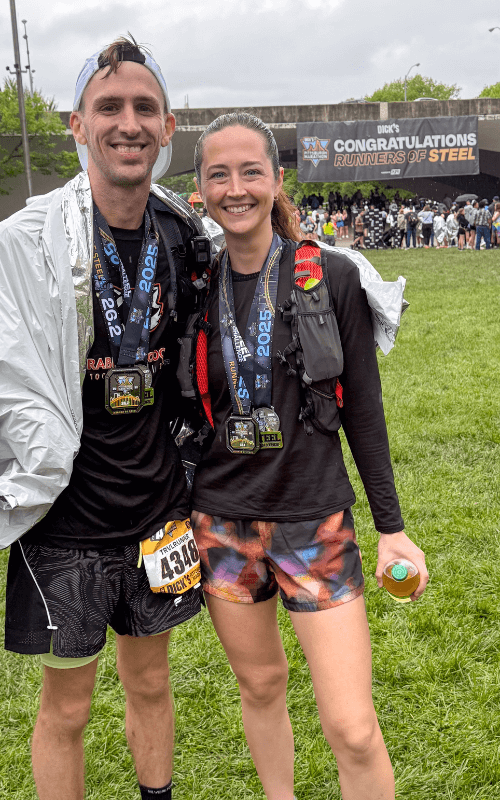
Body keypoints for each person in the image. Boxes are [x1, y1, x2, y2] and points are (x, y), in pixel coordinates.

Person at [189, 112, 428, 800]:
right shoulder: (193, 285)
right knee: (260, 687)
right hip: (221, 523)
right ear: (200, 188)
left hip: (312, 520)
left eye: (250, 171)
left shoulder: (330, 275)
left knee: (352, 726)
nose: (236, 188)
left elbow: (365, 411)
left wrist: (391, 526)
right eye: (218, 174)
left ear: (277, 179)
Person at [0, 36, 208, 800]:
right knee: (68, 706)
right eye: (109, 107)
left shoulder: (183, 234)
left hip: (158, 513)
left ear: (167, 126)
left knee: (151, 685)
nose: (128, 122)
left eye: (143, 108)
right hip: (65, 525)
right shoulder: (28, 244)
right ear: (76, 124)